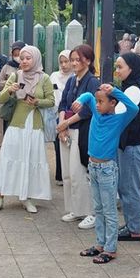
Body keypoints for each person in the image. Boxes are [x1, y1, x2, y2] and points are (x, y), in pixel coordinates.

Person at [70, 83, 139, 263]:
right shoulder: (96, 111)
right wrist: (79, 100)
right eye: (97, 102)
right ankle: (100, 244)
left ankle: (110, 249)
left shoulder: (119, 120)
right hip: (93, 167)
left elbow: (134, 107)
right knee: (98, 208)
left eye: (102, 102)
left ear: (113, 104)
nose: (97, 104)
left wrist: (114, 91)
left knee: (109, 211)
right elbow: (87, 96)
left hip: (107, 169)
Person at [0, 45, 55, 213]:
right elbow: (0, 98)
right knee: (8, 159)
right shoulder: (15, 75)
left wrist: (37, 102)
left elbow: (51, 101)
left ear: (36, 59)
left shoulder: (44, 78)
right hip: (16, 126)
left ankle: (26, 197)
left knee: (30, 160)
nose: (24, 61)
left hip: (34, 127)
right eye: (22, 58)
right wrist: (9, 90)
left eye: (28, 58)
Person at [57, 45, 101, 230]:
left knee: (79, 173)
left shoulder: (92, 82)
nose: (74, 63)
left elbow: (88, 110)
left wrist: (66, 124)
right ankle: (74, 208)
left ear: (88, 61)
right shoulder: (71, 80)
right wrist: (61, 125)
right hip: (66, 129)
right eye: (72, 59)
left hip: (82, 130)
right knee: (67, 173)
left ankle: (90, 212)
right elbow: (63, 103)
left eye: (78, 60)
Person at [112, 52, 140, 241]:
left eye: (120, 67)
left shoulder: (134, 90)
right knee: (126, 186)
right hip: (130, 144)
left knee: (130, 187)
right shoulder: (131, 86)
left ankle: (135, 229)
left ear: (132, 68)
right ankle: (131, 224)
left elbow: (119, 113)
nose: (117, 71)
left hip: (134, 145)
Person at [48, 49, 73, 185]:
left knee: (71, 146)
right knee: (58, 146)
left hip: (71, 114)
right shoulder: (54, 76)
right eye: (61, 62)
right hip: (56, 114)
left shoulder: (75, 77)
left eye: (66, 61)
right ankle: (60, 175)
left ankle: (71, 174)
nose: (63, 65)